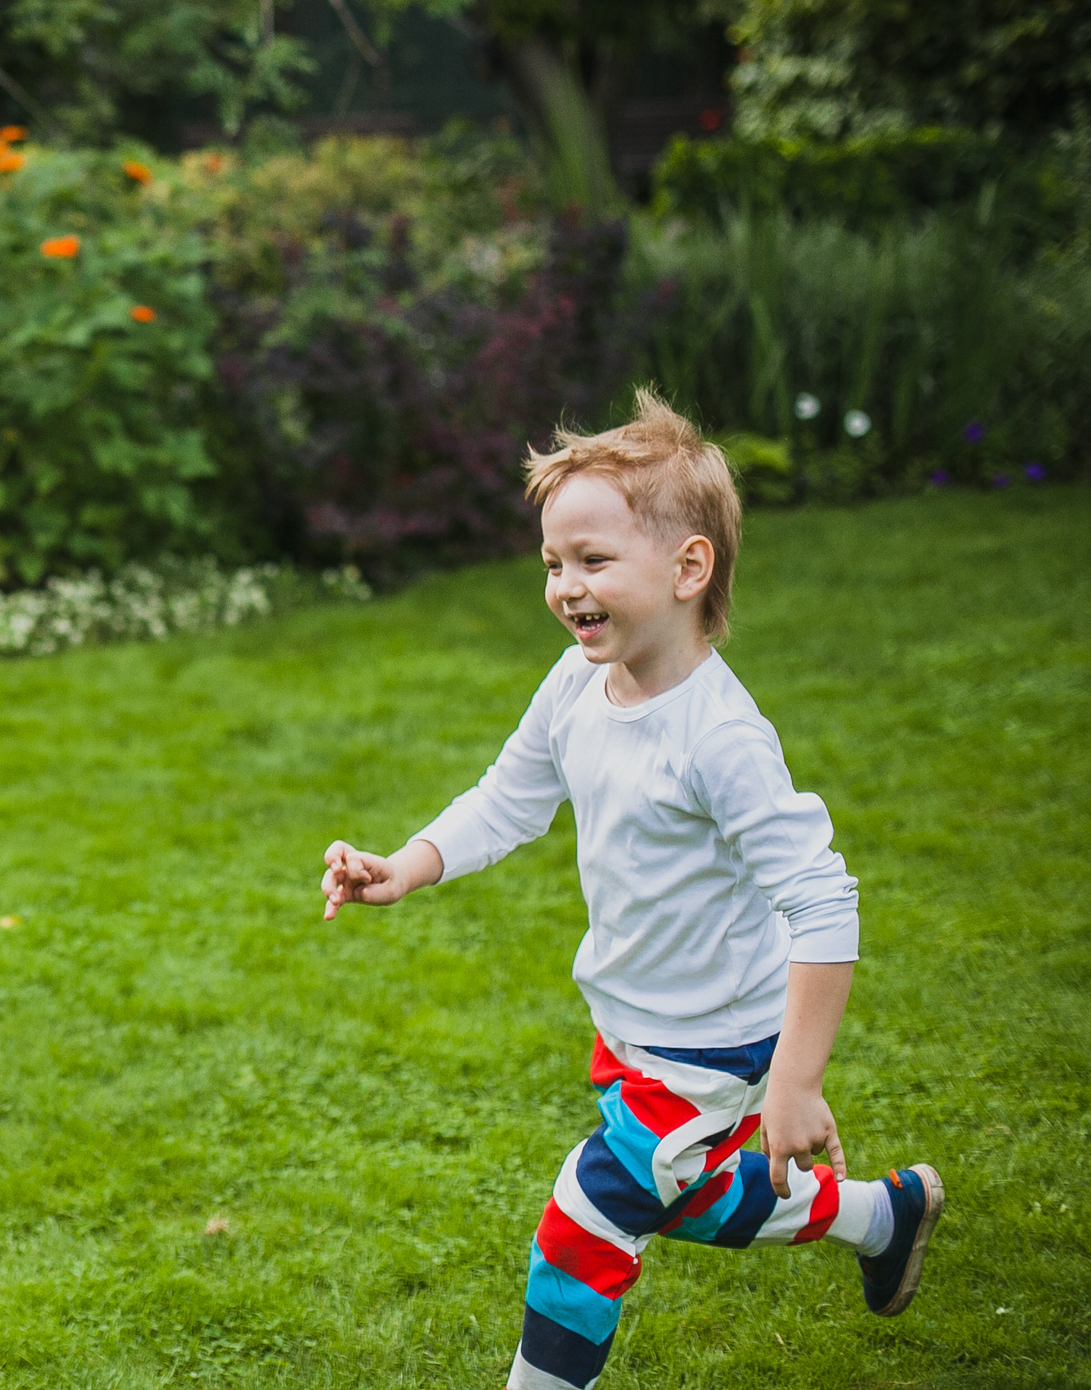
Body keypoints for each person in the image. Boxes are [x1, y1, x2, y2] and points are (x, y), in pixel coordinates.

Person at [318, 391, 941, 1390]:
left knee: (590, 1211)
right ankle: (880, 1214)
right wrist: (407, 863)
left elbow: (824, 905)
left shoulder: (719, 739)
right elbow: (507, 799)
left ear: (688, 568)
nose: (567, 588)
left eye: (593, 562)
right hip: (633, 1018)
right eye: (553, 565)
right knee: (683, 1197)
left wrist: (792, 1082)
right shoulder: (575, 683)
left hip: (716, 1038)